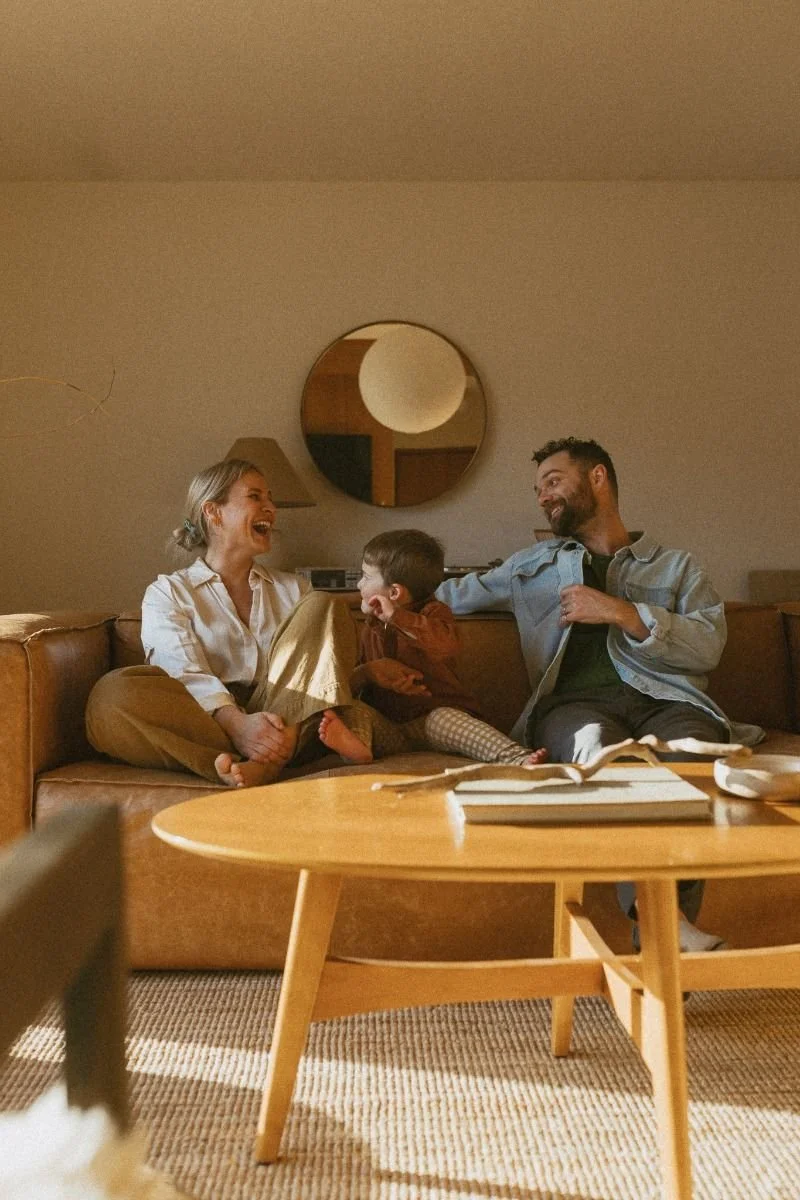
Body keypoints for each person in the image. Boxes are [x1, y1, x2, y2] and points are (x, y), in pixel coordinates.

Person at [437, 437, 764, 952]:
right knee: (607, 762)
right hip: (575, 708)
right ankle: (665, 926)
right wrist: (381, 587)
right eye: (537, 489)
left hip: (673, 704)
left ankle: (662, 928)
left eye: (553, 482)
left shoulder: (677, 567)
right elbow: (449, 595)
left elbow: (708, 647)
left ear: (597, 479)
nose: (543, 497)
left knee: (690, 769)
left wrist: (620, 612)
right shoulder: (532, 566)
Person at [86, 458, 368, 788]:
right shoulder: (168, 592)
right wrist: (237, 725)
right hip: (209, 722)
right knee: (110, 698)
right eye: (255, 497)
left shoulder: (296, 589)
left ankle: (263, 764)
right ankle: (237, 760)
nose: (271, 508)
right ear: (214, 512)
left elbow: (321, 670)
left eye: (270, 498)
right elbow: (182, 670)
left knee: (323, 605)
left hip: (292, 721)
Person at [316, 529, 548, 767]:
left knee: (445, 718)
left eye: (365, 577)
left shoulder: (433, 613)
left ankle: (516, 757)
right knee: (352, 709)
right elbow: (352, 681)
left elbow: (445, 646)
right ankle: (357, 750)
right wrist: (369, 673)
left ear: (394, 593)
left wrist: (397, 617)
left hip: (430, 722)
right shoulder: (370, 627)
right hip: (389, 730)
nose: (359, 584)